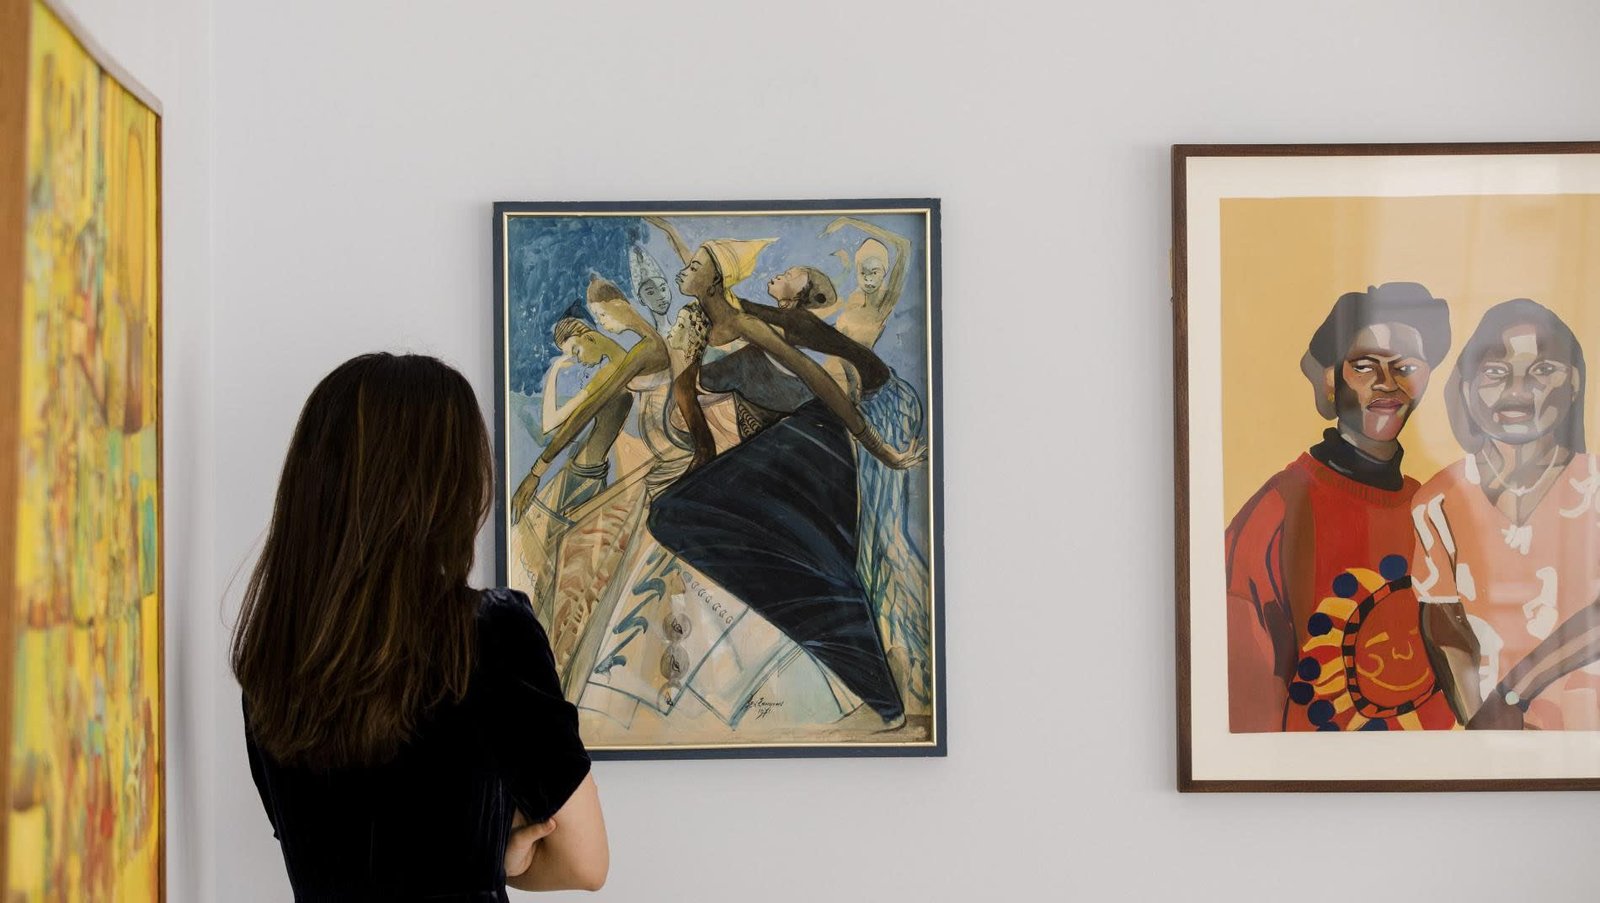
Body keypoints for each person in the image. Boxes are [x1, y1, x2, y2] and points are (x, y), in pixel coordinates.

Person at [233, 353, 608, 899]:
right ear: (445, 490)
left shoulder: (274, 658)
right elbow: (585, 864)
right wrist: (502, 864)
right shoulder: (492, 634)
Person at [645, 233, 925, 727]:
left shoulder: (747, 323)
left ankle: (884, 700)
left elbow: (815, 380)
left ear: (716, 278)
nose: (683, 271)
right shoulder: (691, 329)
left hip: (816, 437)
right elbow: (696, 423)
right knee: (670, 513)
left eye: (695, 264)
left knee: (828, 567)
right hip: (777, 450)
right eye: (684, 263)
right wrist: (679, 365)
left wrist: (877, 446)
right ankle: (873, 690)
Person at [1226, 282, 1458, 732]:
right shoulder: (1280, 508)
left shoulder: (1432, 505)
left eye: (1404, 366)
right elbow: (1245, 698)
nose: (1387, 384)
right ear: (1331, 379)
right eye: (1364, 365)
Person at [1412, 300, 1600, 729]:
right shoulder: (1437, 500)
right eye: (1496, 373)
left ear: (1573, 384)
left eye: (1542, 370)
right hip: (1495, 734)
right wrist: (1480, 721)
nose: (1517, 391)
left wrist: (1513, 694)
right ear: (1466, 388)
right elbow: (1445, 629)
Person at [511, 273, 669, 524]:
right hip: (593, 469)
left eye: (602, 316)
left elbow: (582, 414)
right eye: (597, 318)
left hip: (596, 471)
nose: (602, 324)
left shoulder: (639, 354)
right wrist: (554, 372)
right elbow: (554, 422)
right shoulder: (635, 354)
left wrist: (536, 472)